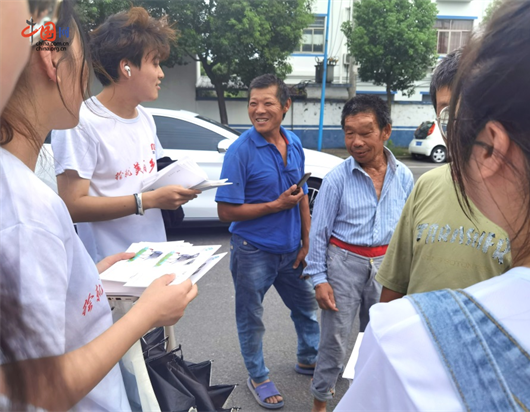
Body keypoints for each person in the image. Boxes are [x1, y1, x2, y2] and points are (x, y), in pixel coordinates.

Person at [336, 0, 530, 409]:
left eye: (460, 121)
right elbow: (395, 282)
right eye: (444, 118)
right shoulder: (427, 186)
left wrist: (393, 340)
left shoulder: (407, 337)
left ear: (492, 147)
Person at [0, 2, 198, 410]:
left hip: (131, 275)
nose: (88, 75)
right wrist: (146, 314)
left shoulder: (21, 195)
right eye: (83, 58)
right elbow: (40, 389)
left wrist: (88, 275)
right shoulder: (24, 212)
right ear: (51, 58)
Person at [51, 7, 200, 263]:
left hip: (155, 258)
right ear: (126, 67)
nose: (161, 73)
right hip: (109, 268)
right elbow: (72, 206)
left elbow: (151, 179)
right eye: (155, 63)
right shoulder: (80, 122)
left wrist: (177, 188)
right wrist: (147, 201)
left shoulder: (145, 118)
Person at [215, 74, 319, 409]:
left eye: (267, 103)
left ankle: (308, 359)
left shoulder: (295, 143)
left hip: (291, 250)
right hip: (253, 251)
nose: (258, 110)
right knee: (252, 318)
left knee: (306, 308)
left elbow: (302, 195)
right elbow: (225, 212)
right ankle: (258, 376)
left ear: (285, 106)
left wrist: (307, 242)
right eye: (253, 104)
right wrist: (274, 206)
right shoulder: (239, 152)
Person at [375, 49, 511, 303]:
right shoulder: (426, 186)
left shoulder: (528, 205)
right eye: (447, 111)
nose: (460, 123)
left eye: (469, 108)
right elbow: (394, 287)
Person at [304, 95, 413, 412]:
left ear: (386, 131)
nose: (356, 142)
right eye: (349, 133)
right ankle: (320, 402)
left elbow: (407, 231)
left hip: (386, 267)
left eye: (365, 132)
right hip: (343, 264)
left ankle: (368, 400)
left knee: (379, 338)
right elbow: (318, 232)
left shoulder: (404, 177)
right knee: (334, 341)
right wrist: (319, 279)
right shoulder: (336, 179)